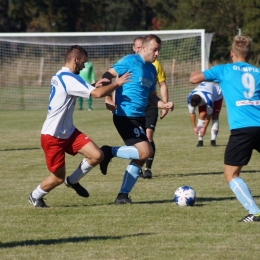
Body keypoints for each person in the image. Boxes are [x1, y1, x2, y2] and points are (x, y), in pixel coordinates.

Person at [28, 45, 130, 208]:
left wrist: (94, 83)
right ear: (76, 60)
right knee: (57, 178)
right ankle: (35, 196)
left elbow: (84, 89)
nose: (84, 66)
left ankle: (73, 181)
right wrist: (117, 83)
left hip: (68, 132)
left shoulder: (62, 75)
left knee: (97, 155)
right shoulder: (69, 78)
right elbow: (96, 94)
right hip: (52, 136)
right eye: (83, 62)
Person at [189, 35, 260, 222]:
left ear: (231, 53)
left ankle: (255, 212)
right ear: (250, 54)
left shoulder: (224, 70)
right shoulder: (257, 72)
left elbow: (193, 78)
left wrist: (208, 74)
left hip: (242, 130)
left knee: (231, 174)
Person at [100, 34, 174, 204]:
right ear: (144, 48)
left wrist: (163, 104)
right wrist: (107, 98)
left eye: (158, 51)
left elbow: (150, 96)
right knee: (147, 152)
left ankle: (122, 195)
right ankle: (108, 151)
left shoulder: (152, 69)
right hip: (125, 115)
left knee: (140, 157)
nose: (157, 54)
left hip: (139, 117)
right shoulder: (130, 60)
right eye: (154, 50)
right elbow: (107, 74)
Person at [132, 36, 169, 179]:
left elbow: (162, 84)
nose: (138, 48)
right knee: (139, 138)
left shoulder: (155, 65)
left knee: (148, 135)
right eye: (137, 46)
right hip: (136, 106)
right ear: (135, 48)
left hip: (151, 104)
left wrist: (164, 104)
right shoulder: (130, 63)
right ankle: (138, 165)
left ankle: (147, 168)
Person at [187, 81, 223, 147]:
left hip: (216, 95)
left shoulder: (208, 100)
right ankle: (200, 141)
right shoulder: (190, 99)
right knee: (202, 115)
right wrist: (194, 127)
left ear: (200, 103)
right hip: (205, 92)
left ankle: (213, 141)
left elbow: (209, 116)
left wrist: (204, 128)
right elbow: (192, 113)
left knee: (215, 116)